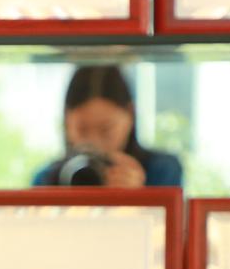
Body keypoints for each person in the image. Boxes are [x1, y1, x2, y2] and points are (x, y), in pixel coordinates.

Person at [31, 65, 184, 189]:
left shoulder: (162, 171)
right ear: (66, 121)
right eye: (82, 129)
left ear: (130, 114)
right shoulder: (46, 179)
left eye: (106, 130)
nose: (93, 142)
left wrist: (140, 198)